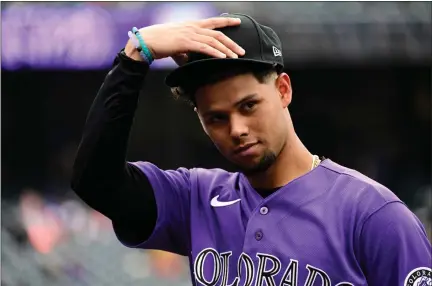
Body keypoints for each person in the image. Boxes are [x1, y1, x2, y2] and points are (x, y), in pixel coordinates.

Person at [71, 13, 431, 286]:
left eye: (248, 106)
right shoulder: (195, 199)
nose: (237, 130)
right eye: (216, 118)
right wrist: (135, 56)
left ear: (283, 90)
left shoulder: (374, 215)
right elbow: (96, 182)